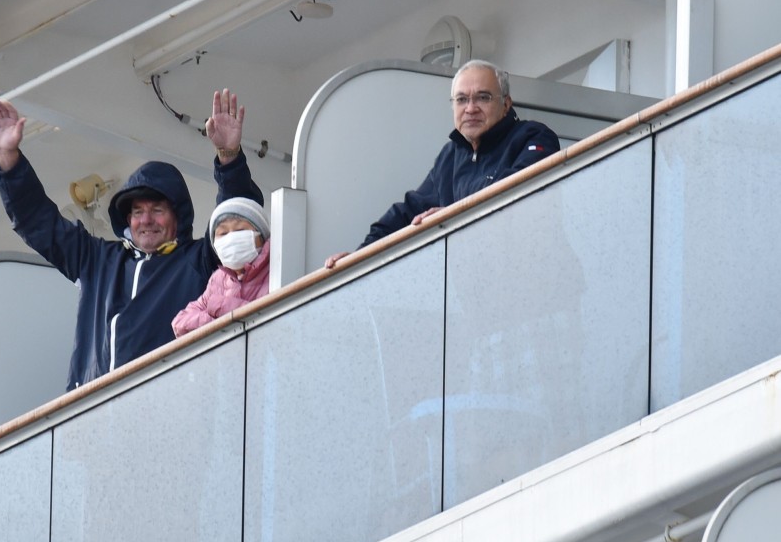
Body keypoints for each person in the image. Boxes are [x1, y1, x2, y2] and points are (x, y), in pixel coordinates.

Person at [0, 89, 264, 391]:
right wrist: (8, 158)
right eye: (137, 211)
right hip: (89, 413)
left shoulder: (198, 261)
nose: (146, 220)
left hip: (170, 406)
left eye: (157, 210)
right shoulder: (96, 261)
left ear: (178, 217)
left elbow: (238, 221)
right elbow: (37, 220)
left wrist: (229, 158)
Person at [324, 59, 560, 268]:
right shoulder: (450, 157)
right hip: (475, 289)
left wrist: (454, 215)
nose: (470, 108)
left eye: (483, 97)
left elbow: (517, 191)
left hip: (538, 275)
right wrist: (357, 258)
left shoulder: (534, 137)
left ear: (506, 104)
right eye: (461, 99)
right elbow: (407, 212)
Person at [171, 197, 271, 337]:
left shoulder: (276, 269)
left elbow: (269, 322)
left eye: (240, 230)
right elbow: (180, 323)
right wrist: (220, 323)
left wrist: (221, 307)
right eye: (223, 233)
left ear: (261, 235)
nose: (231, 238)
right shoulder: (218, 278)